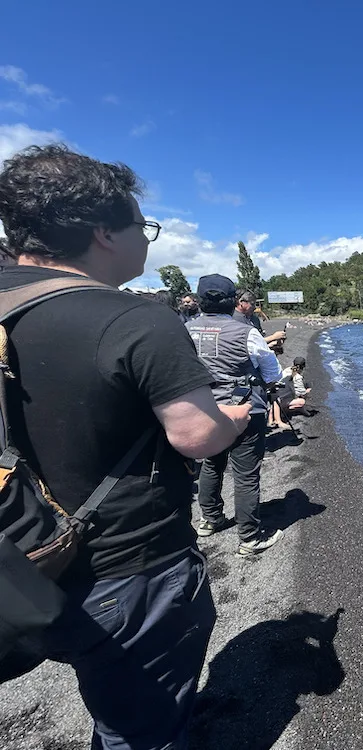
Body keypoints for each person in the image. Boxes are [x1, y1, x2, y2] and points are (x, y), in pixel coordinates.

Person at [0, 144, 252, 749]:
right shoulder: (133, 318)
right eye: (144, 226)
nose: (148, 239)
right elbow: (196, 437)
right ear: (103, 232)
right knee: (142, 726)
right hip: (121, 567)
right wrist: (239, 417)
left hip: (14, 556)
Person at [186, 275, 283, 556]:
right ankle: (249, 537)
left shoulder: (185, 329)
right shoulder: (245, 332)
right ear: (232, 302)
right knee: (246, 474)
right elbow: (272, 372)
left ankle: (210, 520)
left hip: (205, 409)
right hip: (244, 411)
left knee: (211, 465)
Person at [270, 356, 311, 430]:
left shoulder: (287, 370)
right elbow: (301, 393)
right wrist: (308, 390)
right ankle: (282, 413)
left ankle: (294, 410)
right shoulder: (297, 376)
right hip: (280, 400)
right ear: (303, 367)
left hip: (276, 397)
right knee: (302, 401)